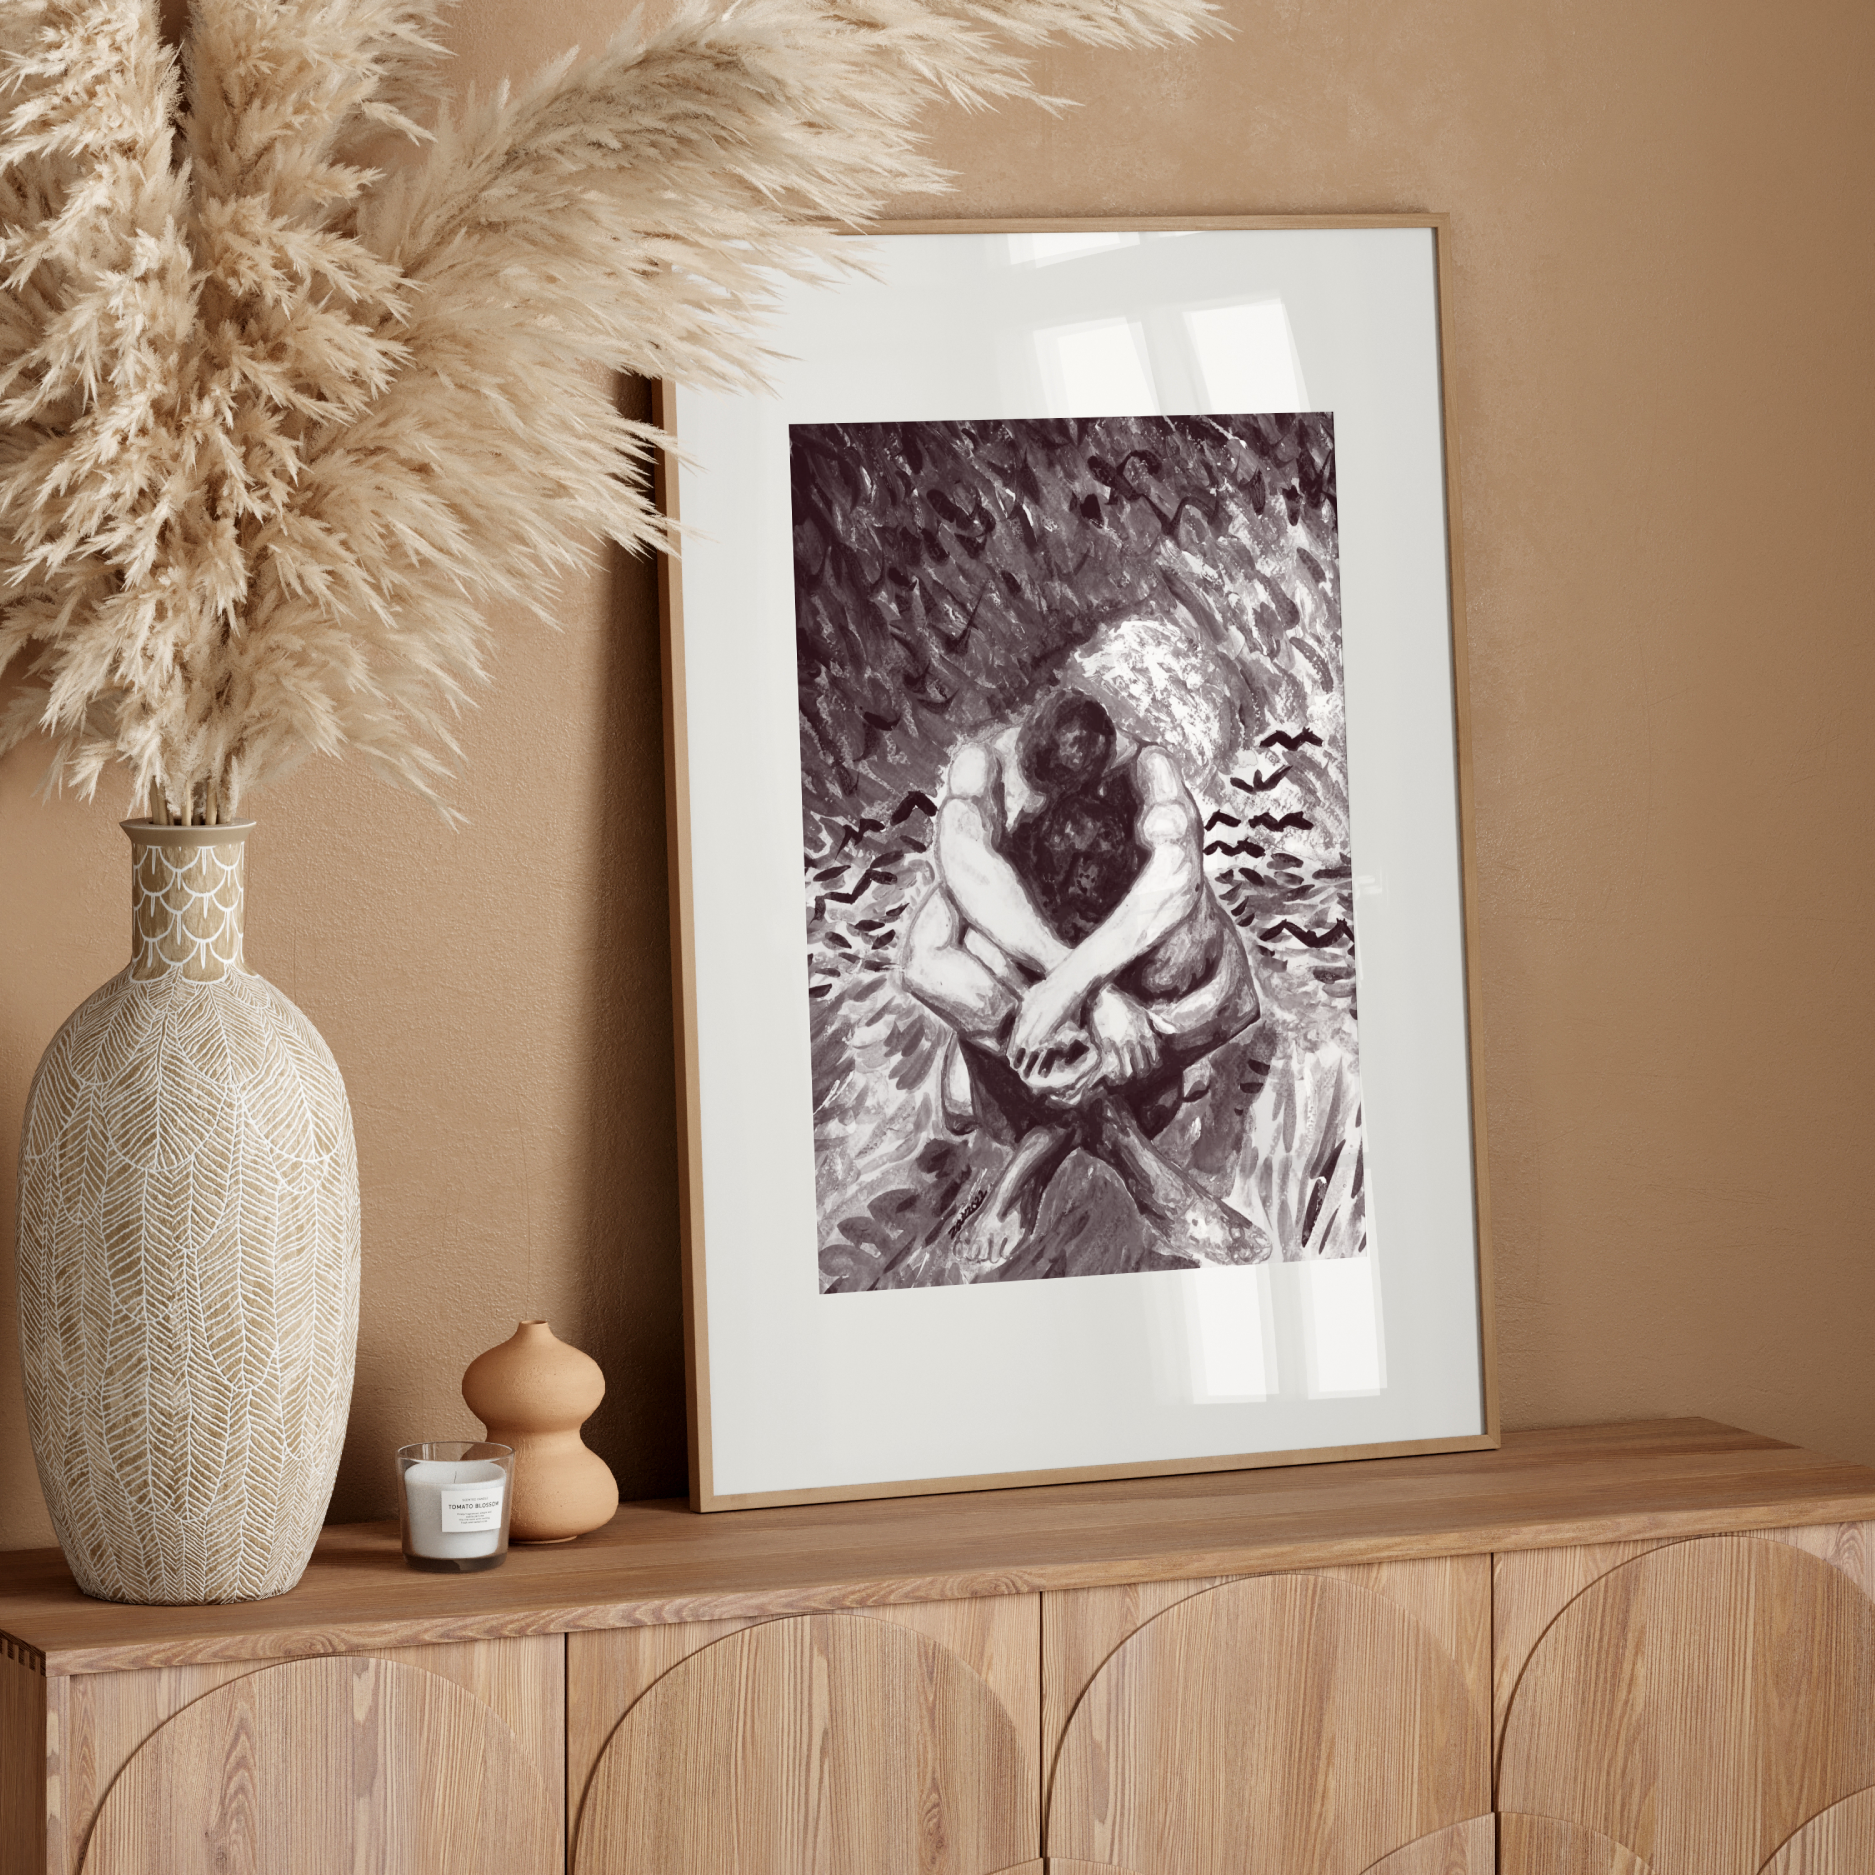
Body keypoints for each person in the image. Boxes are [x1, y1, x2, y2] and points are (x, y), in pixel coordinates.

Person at [900, 689, 1268, 1273]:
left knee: (1203, 958)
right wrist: (1069, 989)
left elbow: (1181, 880)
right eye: (1043, 797)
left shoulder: (1144, 770)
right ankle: (1139, 1165)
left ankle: (1034, 1157)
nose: (1056, 812)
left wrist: (1077, 988)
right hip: (1032, 985)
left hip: (1107, 986)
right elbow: (956, 880)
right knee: (935, 958)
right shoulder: (986, 770)